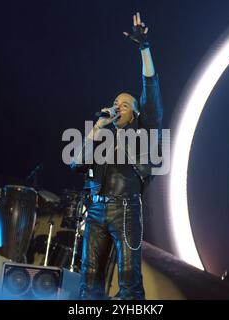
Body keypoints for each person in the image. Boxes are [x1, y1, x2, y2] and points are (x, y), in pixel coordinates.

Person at [70, 12, 163, 300]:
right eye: (115, 103)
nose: (117, 106)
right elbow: (76, 162)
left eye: (124, 104)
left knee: (129, 282)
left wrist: (144, 47)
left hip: (126, 211)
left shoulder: (144, 128)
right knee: (89, 283)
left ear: (136, 111)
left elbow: (150, 86)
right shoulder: (103, 135)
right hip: (96, 211)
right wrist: (96, 128)